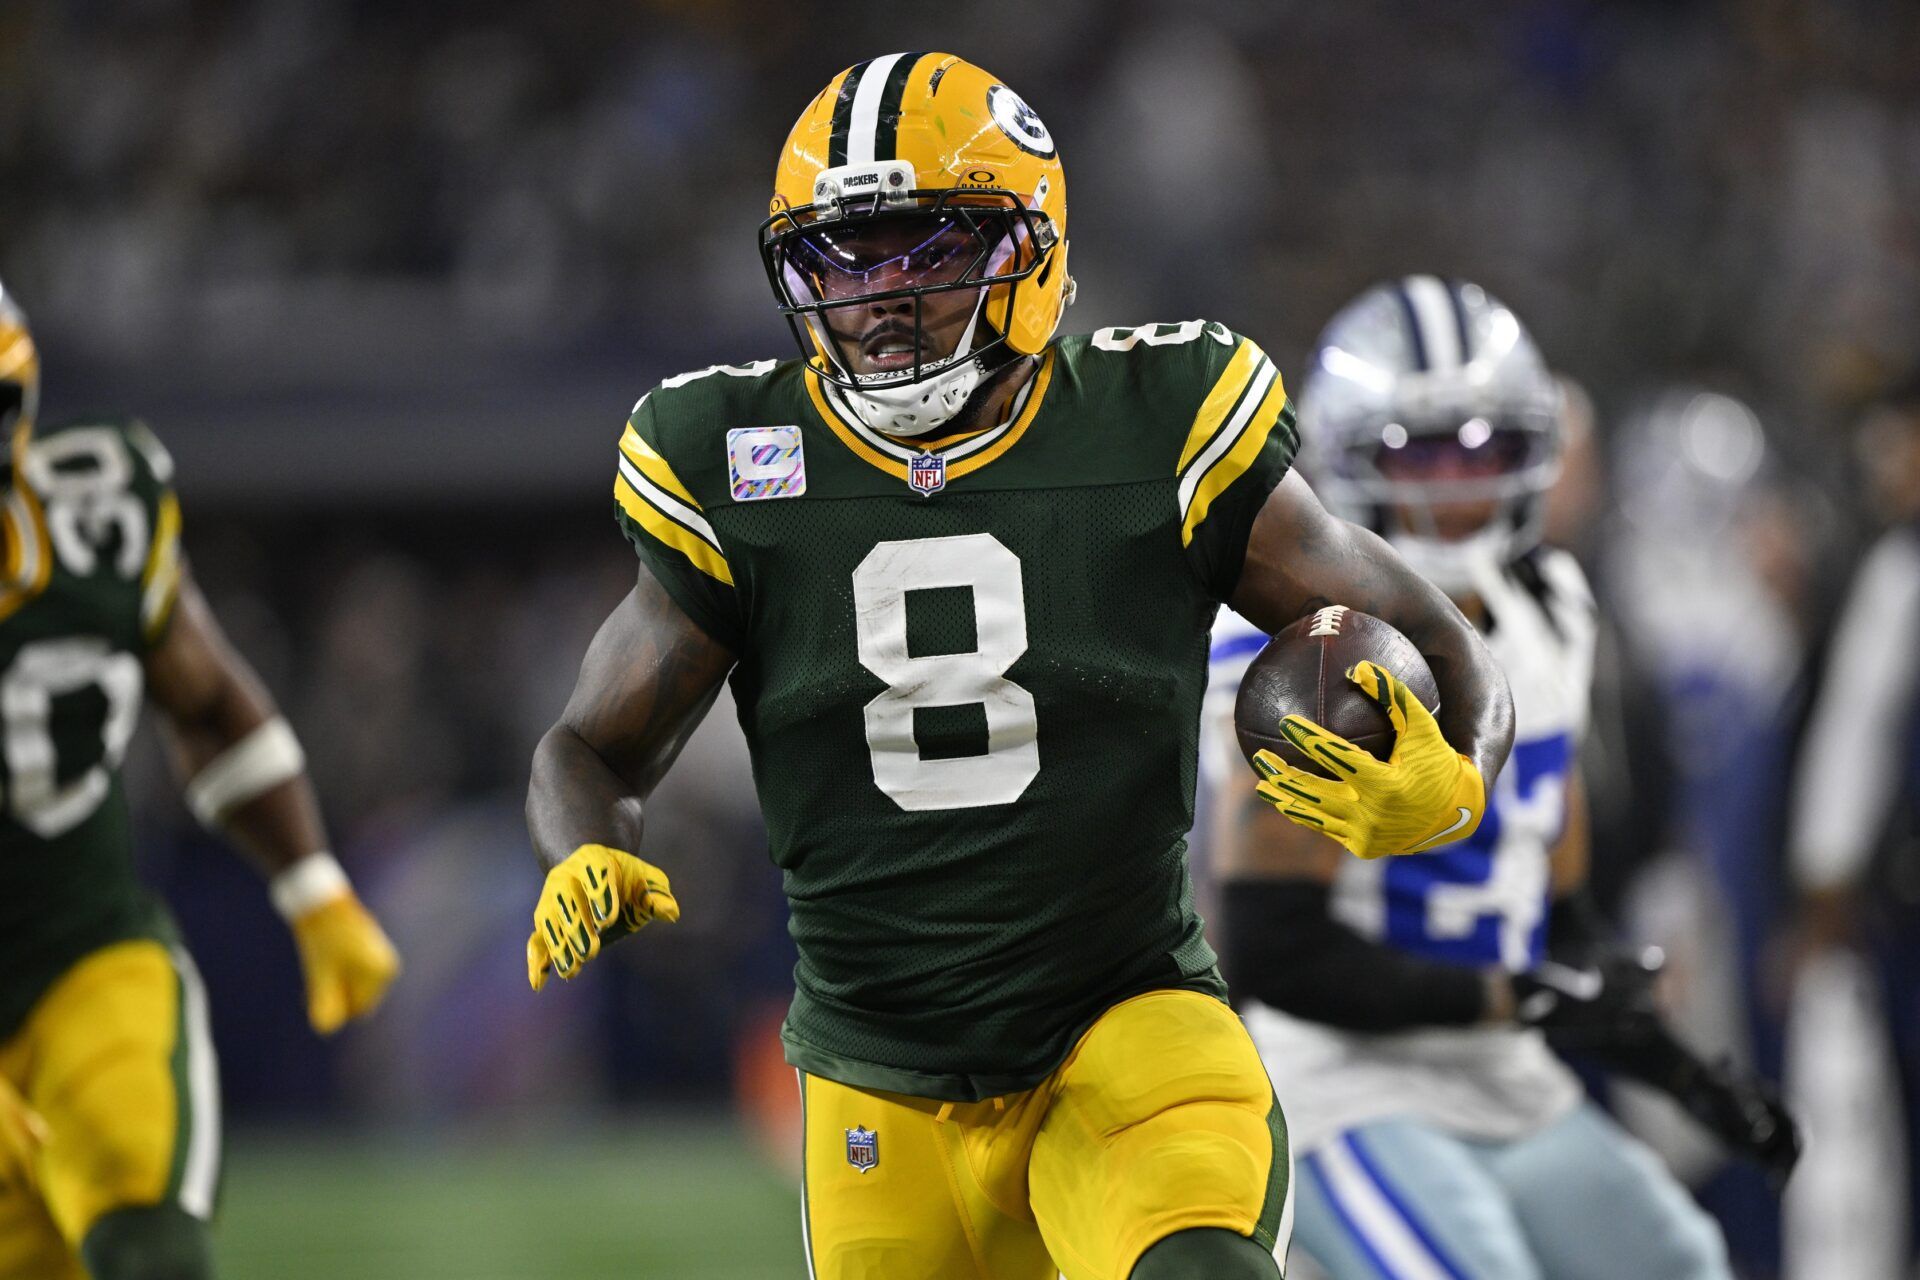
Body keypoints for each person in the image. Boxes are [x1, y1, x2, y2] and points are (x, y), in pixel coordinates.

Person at [523, 57, 1513, 1280]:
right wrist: (586, 847)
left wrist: (1457, 782)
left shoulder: (1159, 421)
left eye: (922, 252)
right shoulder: (738, 458)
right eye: (841, 259)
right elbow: (588, 745)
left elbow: (1446, 637)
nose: (878, 299)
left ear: (1027, 251)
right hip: (879, 1077)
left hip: (1125, 1024)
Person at [1204, 278, 1732, 1278]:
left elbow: (1555, 880)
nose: (1453, 481)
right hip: (1334, 1082)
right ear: (1352, 460)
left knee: (1685, 1260)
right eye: (1419, 450)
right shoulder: (1309, 647)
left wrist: (1650, 1038)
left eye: (1482, 447)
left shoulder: (1554, 609)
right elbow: (1279, 947)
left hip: (1503, 1075)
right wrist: (1516, 994)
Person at [0, 284, 401, 1280]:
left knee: (152, 1237)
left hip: (78, 956)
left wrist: (312, 886)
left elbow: (209, 700)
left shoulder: (95, 509)